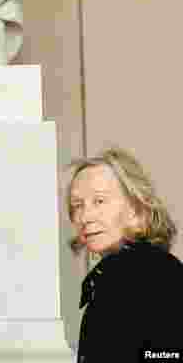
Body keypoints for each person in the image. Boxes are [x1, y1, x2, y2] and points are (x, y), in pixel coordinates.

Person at [67, 147, 183, 362]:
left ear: (136, 209)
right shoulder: (111, 278)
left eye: (99, 201)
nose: (85, 216)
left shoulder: (158, 277)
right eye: (77, 205)